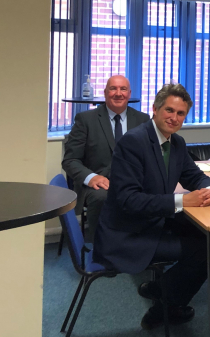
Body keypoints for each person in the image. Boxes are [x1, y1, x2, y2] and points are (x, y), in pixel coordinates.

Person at [94, 84, 210, 330]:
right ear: (155, 109)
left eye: (180, 113)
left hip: (154, 219)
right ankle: (165, 308)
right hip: (129, 233)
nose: (174, 118)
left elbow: (195, 176)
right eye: (169, 110)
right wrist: (182, 201)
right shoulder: (133, 142)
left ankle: (160, 288)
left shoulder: (177, 143)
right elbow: (128, 200)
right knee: (206, 250)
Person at [62, 75, 149, 241]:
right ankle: (101, 251)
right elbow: (70, 160)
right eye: (113, 88)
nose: (118, 93)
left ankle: (143, 250)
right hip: (99, 185)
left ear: (129, 94)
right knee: (104, 197)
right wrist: (91, 177)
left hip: (133, 182)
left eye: (123, 89)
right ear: (105, 92)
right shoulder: (86, 120)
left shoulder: (142, 120)